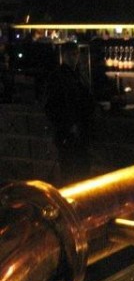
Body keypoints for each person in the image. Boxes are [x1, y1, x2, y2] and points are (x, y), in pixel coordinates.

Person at [44, 42, 96, 184]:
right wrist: (68, 125)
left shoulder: (76, 75)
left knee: (81, 171)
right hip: (68, 134)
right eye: (71, 54)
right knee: (71, 171)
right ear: (64, 56)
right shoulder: (59, 77)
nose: (75, 57)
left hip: (79, 131)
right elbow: (52, 107)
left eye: (76, 54)